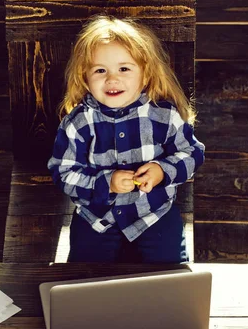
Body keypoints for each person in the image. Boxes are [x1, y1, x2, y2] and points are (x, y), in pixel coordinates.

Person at [47, 15, 205, 263]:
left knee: (169, 272)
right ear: (85, 77)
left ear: (145, 73)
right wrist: (106, 183)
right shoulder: (79, 122)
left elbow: (192, 153)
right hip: (97, 217)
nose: (112, 79)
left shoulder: (163, 115)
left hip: (153, 211)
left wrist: (162, 171)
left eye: (124, 69)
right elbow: (64, 173)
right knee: (84, 274)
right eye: (100, 70)